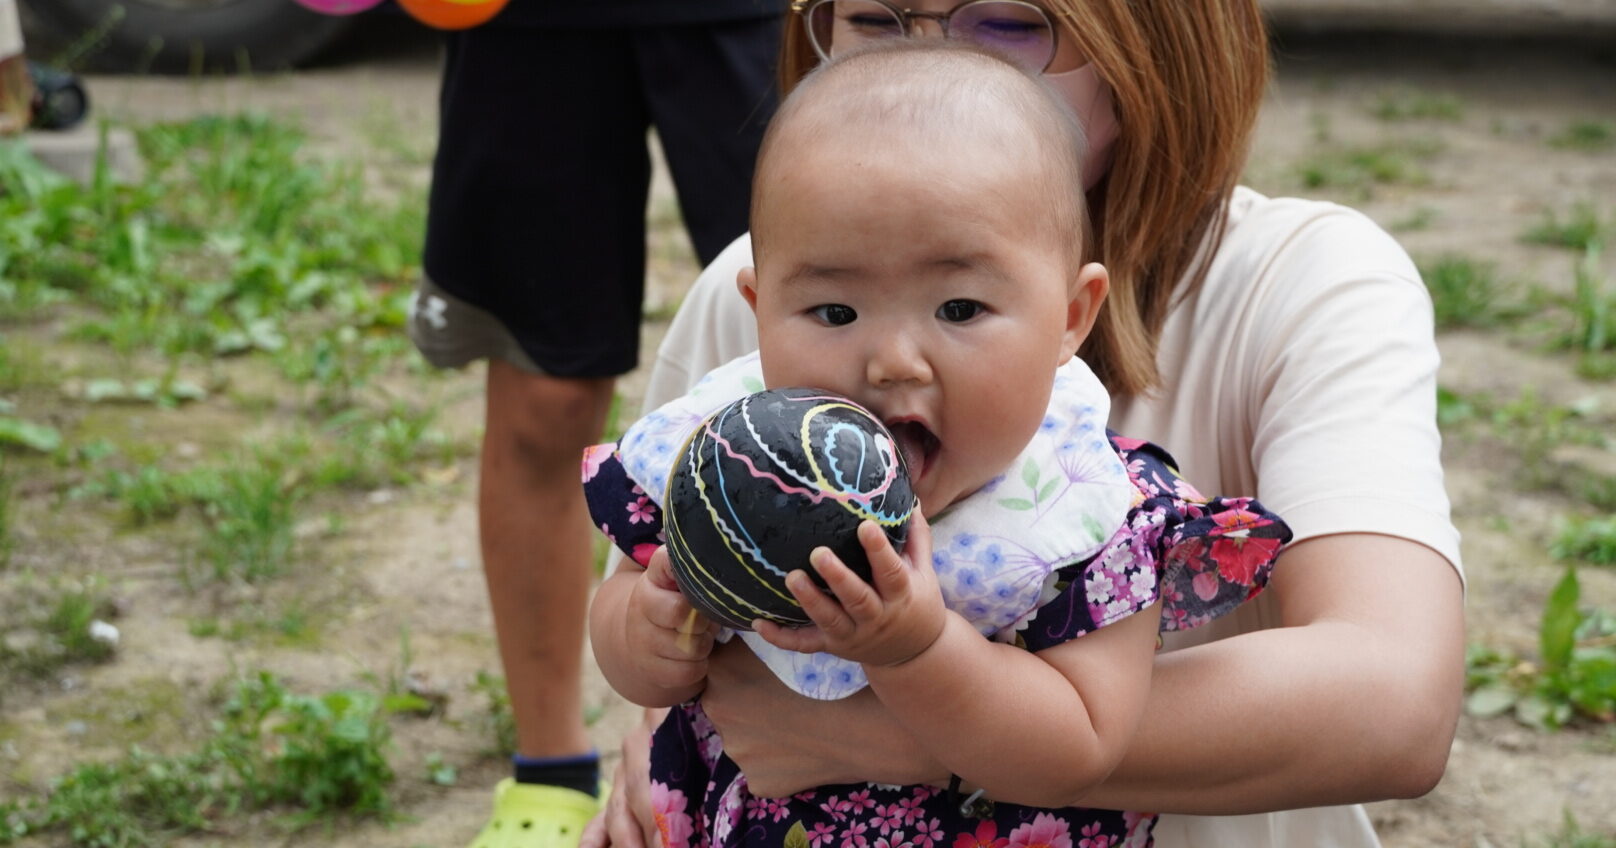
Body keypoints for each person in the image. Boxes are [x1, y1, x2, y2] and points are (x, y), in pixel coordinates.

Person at [584, 2, 1466, 848]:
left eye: (1008, 21)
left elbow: (1397, 707)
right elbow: (647, 628)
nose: (892, 359)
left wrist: (903, 703)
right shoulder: (772, 328)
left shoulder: (1093, 508)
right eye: (876, 21)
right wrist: (652, 639)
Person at [404, 3, 782, 846]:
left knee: (828, 343)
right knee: (546, 401)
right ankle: (549, 774)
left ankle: (838, 764)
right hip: (532, 20)